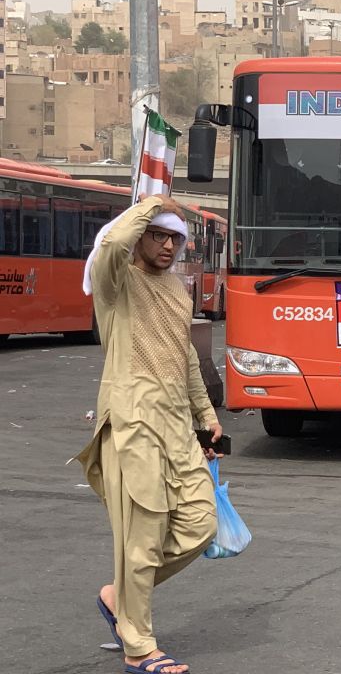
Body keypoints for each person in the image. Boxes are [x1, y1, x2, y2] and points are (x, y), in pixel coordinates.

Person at [76, 195, 222, 674]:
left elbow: (185, 360)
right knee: (142, 538)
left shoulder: (178, 290)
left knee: (201, 525)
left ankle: (119, 596)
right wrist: (153, 204)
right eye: (158, 235)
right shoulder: (115, 284)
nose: (167, 245)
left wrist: (206, 414)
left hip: (178, 426)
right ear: (140, 235)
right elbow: (113, 242)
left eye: (175, 238)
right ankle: (138, 647)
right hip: (133, 423)